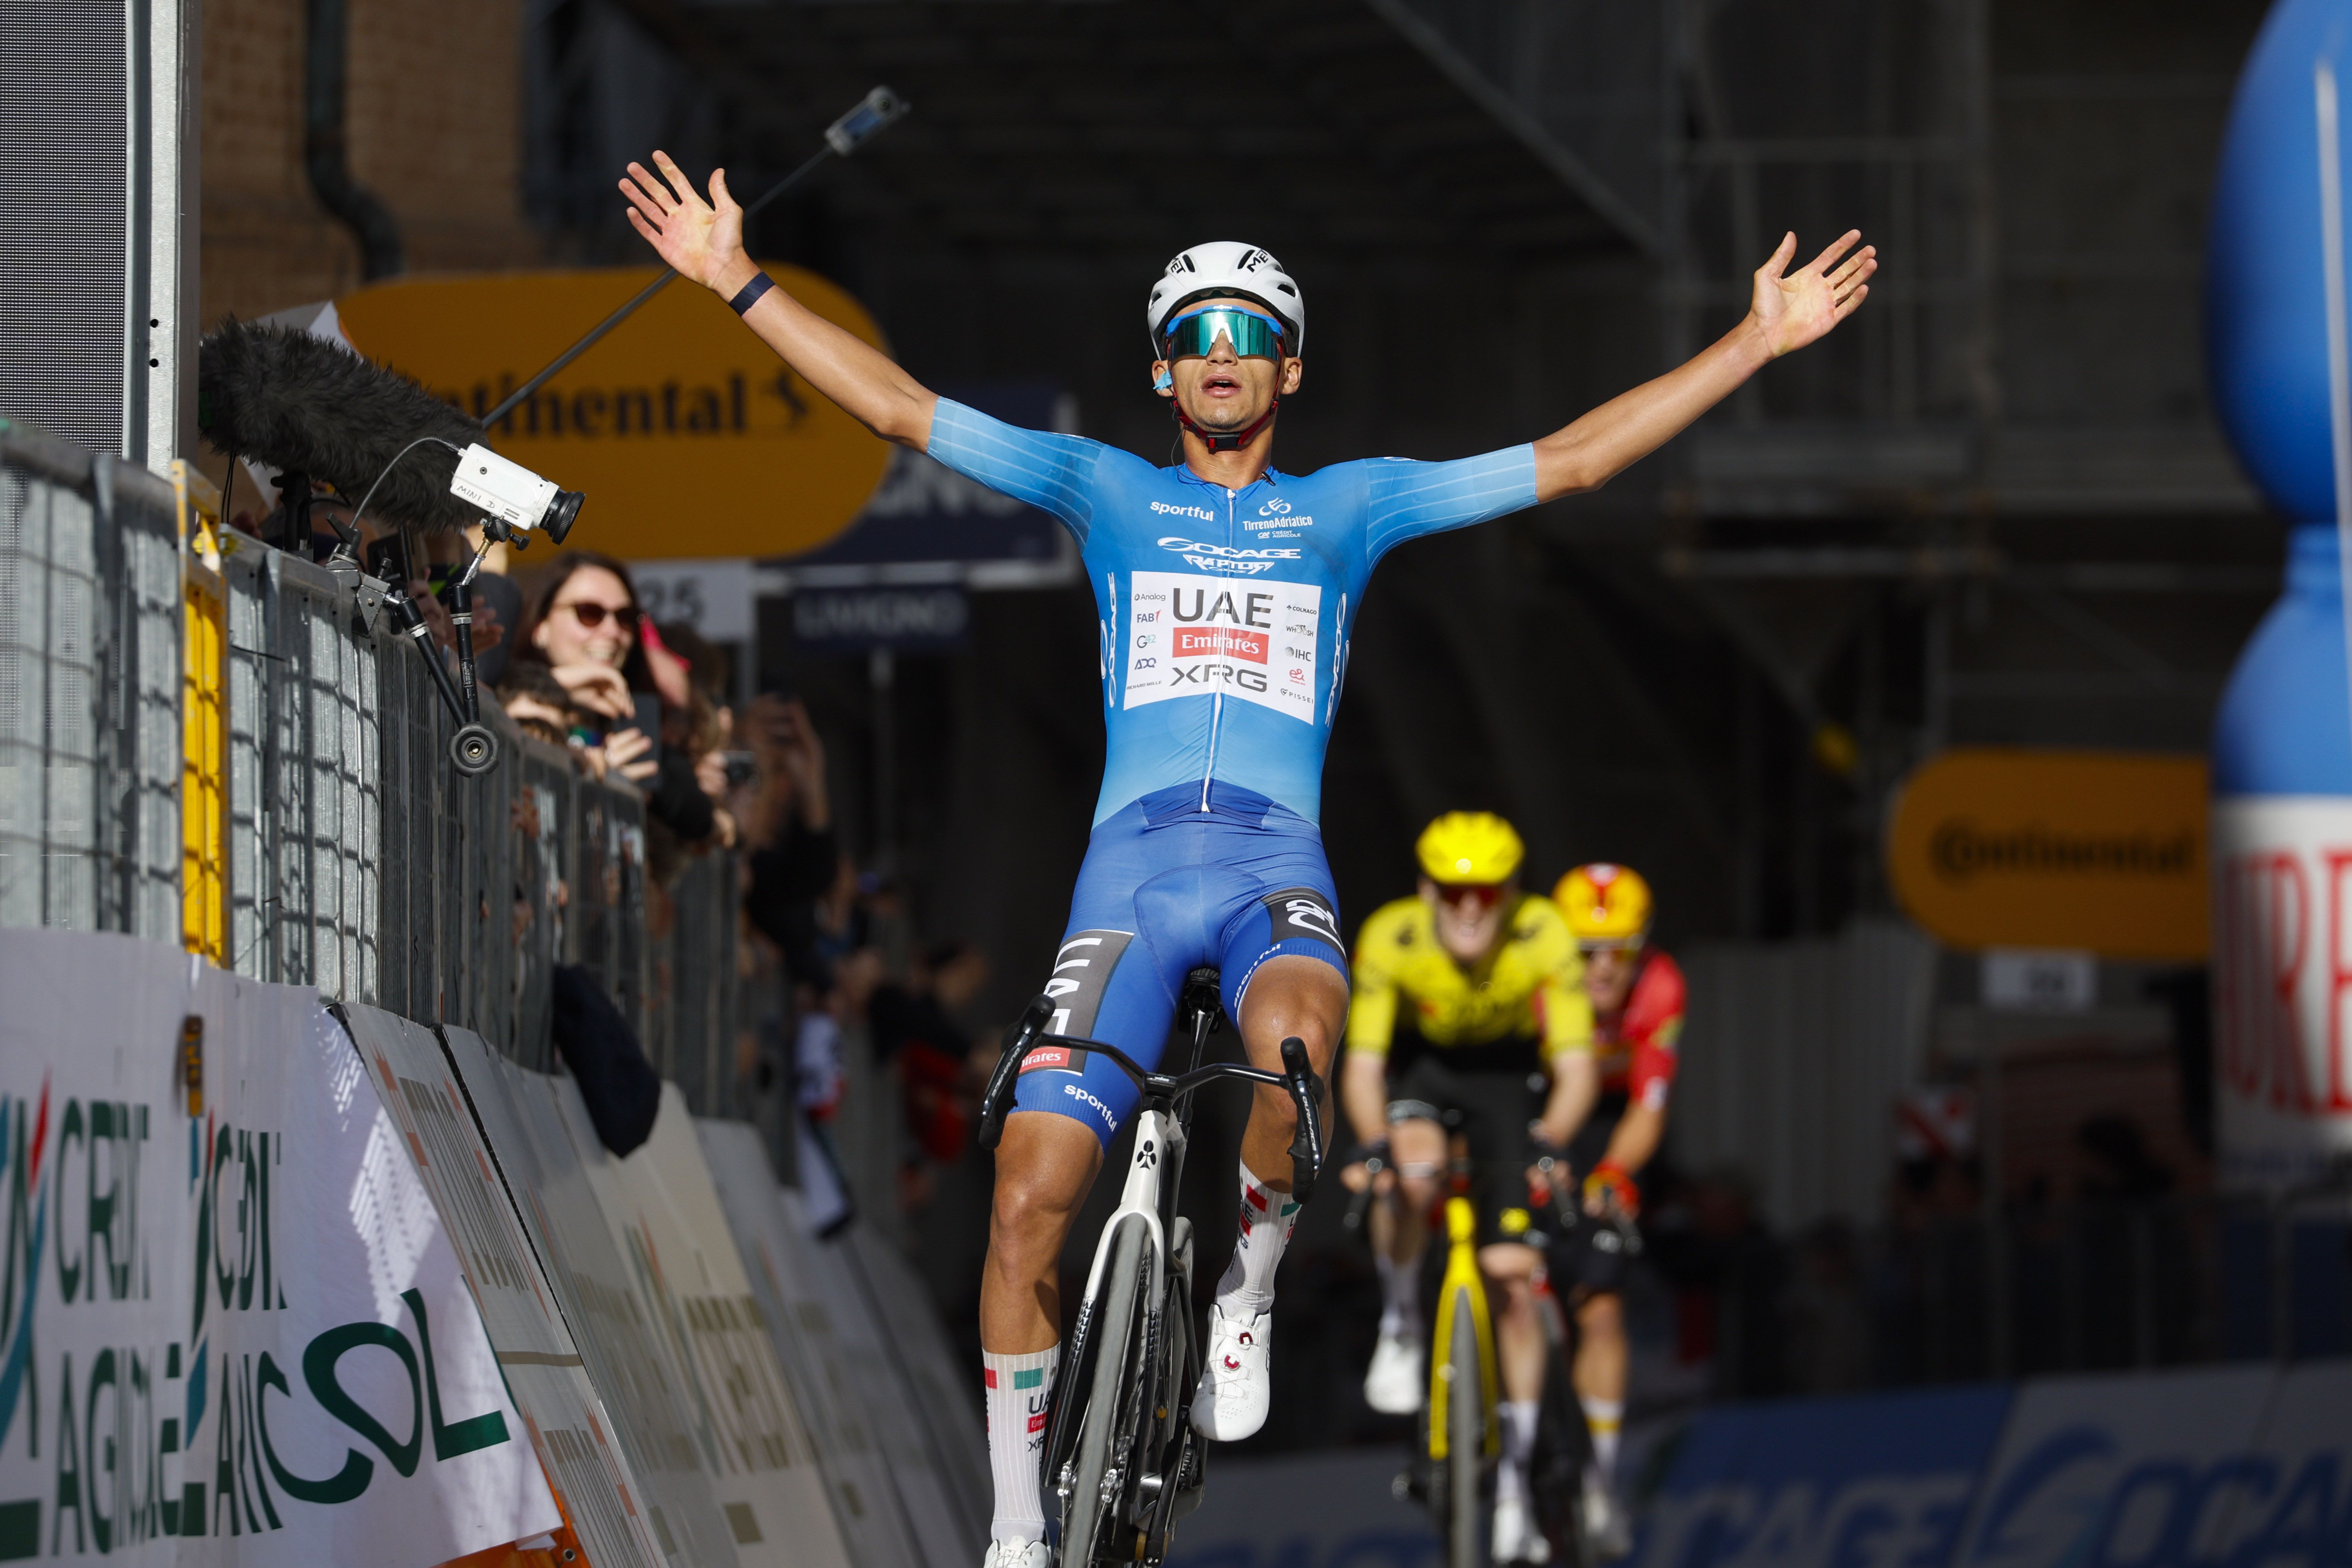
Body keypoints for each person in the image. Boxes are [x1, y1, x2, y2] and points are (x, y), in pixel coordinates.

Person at [618, 148, 1871, 1568]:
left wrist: (1751, 342)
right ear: (1163, 371)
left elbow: (1574, 460)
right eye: (1194, 334)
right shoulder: (1104, 488)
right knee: (1026, 1201)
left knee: (1293, 1056)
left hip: (1274, 872)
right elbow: (900, 407)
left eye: (1251, 334)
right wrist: (739, 282)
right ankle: (1019, 1530)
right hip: (1128, 886)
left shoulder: (1353, 507)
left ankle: (1247, 1284)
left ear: (1290, 369)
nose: (1222, 352)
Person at [1340, 812, 1591, 1563]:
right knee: (1412, 1177)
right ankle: (1401, 1322)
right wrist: (1375, 1147)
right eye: (1454, 892)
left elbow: (1576, 1067)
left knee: (1513, 1275)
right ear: (1427, 890)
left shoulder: (1544, 932)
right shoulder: (1393, 936)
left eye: (1488, 891)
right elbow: (1364, 1066)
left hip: (1506, 1078)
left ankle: (1516, 1483)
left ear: (1512, 892)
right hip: (1425, 1069)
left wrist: (1549, 1144)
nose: (1471, 908)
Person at [1551, 863, 1684, 1559]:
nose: (1603, 969)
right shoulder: (1538, 977)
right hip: (1543, 1101)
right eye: (1585, 953)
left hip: (1610, 1123)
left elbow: (1648, 1105)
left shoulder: (1662, 986)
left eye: (1619, 952)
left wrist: (1612, 1173)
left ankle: (1599, 1483)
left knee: (1601, 1308)